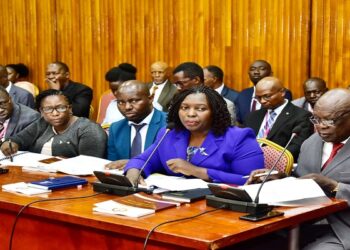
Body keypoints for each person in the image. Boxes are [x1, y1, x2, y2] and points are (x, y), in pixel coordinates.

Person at [247, 88, 350, 250]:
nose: (320, 127)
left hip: (342, 227)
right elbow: (302, 178)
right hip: (300, 221)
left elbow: (324, 182)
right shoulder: (311, 142)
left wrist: (334, 186)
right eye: (316, 120)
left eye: (329, 121)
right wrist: (280, 177)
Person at [124, 85, 264, 186]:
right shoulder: (169, 134)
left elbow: (251, 180)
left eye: (200, 109)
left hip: (220, 208)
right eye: (185, 108)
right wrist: (133, 171)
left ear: (214, 112)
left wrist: (197, 171)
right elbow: (143, 160)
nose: (190, 114)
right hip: (174, 205)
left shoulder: (239, 138)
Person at [0, 89, 107, 158]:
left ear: (69, 109)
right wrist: (10, 143)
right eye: (48, 109)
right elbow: (18, 139)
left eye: (61, 108)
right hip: (37, 174)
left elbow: (90, 164)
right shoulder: (43, 123)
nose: (55, 113)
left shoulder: (88, 129)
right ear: (41, 112)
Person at [244, 76, 313, 160]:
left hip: (277, 164)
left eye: (267, 96)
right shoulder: (252, 116)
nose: (262, 101)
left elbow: (295, 148)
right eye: (258, 97)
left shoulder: (301, 116)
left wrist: (269, 160)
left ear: (282, 92)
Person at [106, 80, 167, 169]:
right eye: (121, 102)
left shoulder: (169, 124)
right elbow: (113, 165)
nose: (127, 107)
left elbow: (171, 163)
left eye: (134, 101)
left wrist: (135, 164)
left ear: (150, 99)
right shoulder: (116, 128)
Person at [173, 62, 237, 124]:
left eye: (181, 83)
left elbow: (226, 132)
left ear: (196, 80)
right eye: (176, 84)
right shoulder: (175, 102)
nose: (178, 88)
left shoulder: (225, 105)